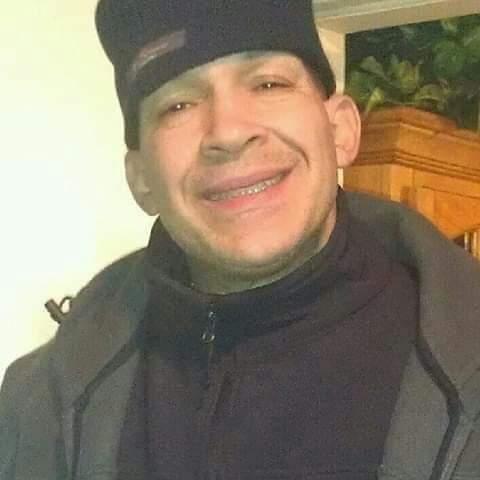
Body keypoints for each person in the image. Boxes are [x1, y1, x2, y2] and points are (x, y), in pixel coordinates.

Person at [1, 0, 479, 479]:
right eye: (178, 105)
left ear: (340, 130)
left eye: (268, 84)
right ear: (140, 177)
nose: (228, 132)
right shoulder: (34, 409)